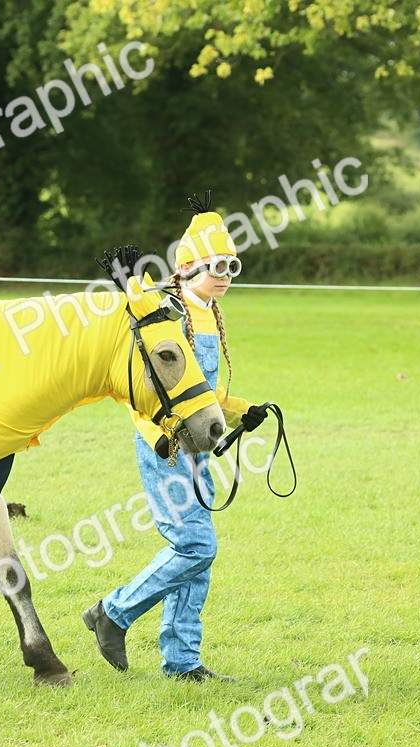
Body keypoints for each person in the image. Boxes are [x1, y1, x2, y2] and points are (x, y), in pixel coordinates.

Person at [82, 194, 269, 682]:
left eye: (233, 265)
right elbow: (143, 391)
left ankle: (182, 662)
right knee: (196, 547)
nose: (225, 274)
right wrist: (157, 436)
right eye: (216, 265)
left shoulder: (207, 311)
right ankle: (112, 612)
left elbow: (198, 391)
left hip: (197, 448)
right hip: (164, 450)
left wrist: (242, 410)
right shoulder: (166, 311)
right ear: (186, 268)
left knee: (197, 557)